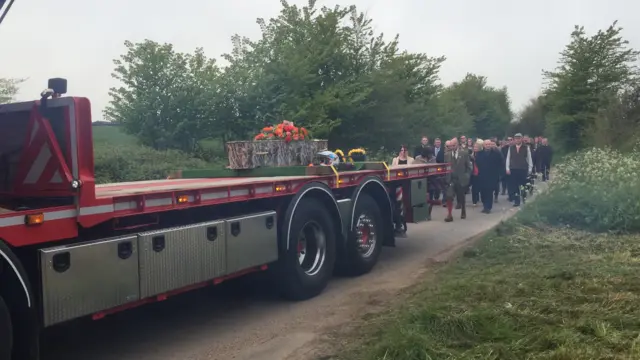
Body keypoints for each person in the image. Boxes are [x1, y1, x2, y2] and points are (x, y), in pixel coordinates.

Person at [443, 138, 472, 222]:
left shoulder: (464, 153)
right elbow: (445, 167)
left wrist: (466, 176)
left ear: (457, 144)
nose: (452, 147)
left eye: (454, 145)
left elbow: (469, 167)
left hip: (461, 179)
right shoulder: (447, 155)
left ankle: (463, 210)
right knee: (449, 196)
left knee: (461, 196)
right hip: (451, 179)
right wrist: (446, 177)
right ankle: (449, 214)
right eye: (450, 146)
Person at [505, 133, 533, 207]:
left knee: (522, 185)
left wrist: (530, 168)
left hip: (523, 168)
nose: (517, 140)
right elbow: (508, 158)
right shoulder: (511, 148)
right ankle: (517, 201)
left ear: (521, 139)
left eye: (519, 138)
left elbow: (529, 159)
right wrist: (507, 168)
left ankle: (523, 198)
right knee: (515, 186)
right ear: (514, 139)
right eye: (516, 138)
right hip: (513, 168)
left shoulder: (526, 147)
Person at [475, 139, 503, 214]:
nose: (488, 146)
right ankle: (484, 206)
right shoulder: (479, 154)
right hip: (482, 175)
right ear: (484, 145)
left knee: (489, 192)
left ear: (491, 145)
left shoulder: (496, 153)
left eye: (489, 144)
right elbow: (477, 163)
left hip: (492, 175)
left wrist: (499, 173)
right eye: (486, 144)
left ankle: (488, 207)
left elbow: (500, 163)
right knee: (483, 192)